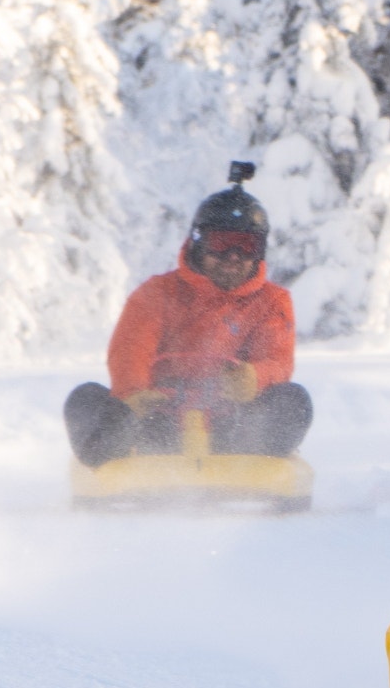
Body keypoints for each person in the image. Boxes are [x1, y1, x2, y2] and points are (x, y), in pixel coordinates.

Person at [64, 163, 314, 468]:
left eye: (246, 247)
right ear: (199, 243)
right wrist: (133, 394)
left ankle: (250, 457)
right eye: (221, 245)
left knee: (294, 401)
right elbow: (131, 349)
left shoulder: (271, 301)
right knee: (85, 398)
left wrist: (254, 378)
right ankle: (110, 450)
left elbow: (277, 360)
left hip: (235, 426)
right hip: (155, 421)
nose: (233, 257)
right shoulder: (158, 292)